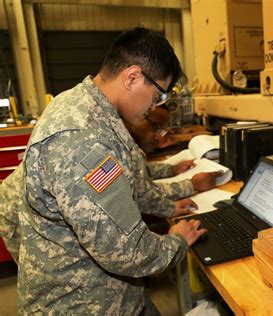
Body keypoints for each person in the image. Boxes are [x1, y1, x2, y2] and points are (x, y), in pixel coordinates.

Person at [18, 27, 207, 314]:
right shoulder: (82, 140)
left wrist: (169, 205)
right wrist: (178, 240)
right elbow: (127, 252)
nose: (155, 106)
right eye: (158, 95)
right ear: (132, 77)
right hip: (80, 303)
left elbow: (128, 183)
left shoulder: (88, 108)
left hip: (109, 292)